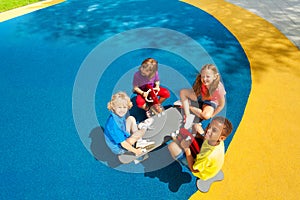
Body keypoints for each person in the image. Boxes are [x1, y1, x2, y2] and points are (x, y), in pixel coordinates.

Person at [168, 116, 233, 181]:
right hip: (207, 160)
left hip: (201, 171)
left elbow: (194, 169)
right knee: (196, 126)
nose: (208, 130)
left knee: (172, 146)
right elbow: (206, 139)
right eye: (209, 126)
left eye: (214, 130)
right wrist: (199, 136)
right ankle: (181, 143)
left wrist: (186, 149)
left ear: (221, 138)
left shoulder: (208, 156)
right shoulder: (217, 141)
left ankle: (179, 146)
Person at [175, 64, 226, 129]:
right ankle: (188, 116)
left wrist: (212, 115)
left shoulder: (218, 88)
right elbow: (195, 90)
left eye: (208, 76)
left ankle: (188, 106)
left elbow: (221, 105)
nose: (204, 79)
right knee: (183, 92)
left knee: (206, 116)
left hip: (209, 102)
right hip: (200, 96)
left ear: (215, 77)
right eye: (203, 76)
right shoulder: (200, 81)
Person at [104, 92, 154, 156]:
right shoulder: (113, 125)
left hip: (122, 134)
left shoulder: (117, 115)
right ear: (113, 107)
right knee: (142, 130)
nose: (122, 110)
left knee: (131, 118)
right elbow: (123, 144)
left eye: (124, 107)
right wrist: (136, 151)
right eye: (119, 107)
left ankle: (139, 141)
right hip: (120, 148)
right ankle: (144, 127)